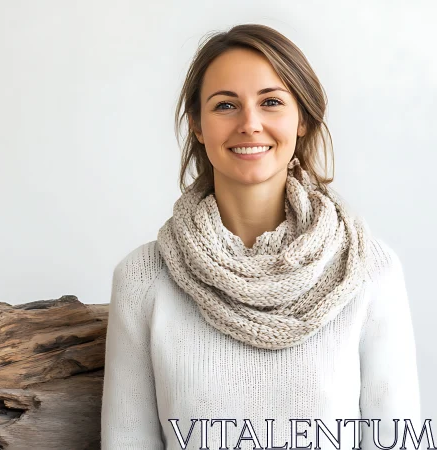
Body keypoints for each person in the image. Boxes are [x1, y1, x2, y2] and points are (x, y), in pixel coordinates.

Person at [100, 24, 421, 450]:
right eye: (225, 105)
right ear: (197, 124)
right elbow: (127, 440)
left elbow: (397, 440)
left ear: (302, 118)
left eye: (271, 102)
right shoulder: (142, 278)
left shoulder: (369, 270)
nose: (250, 124)